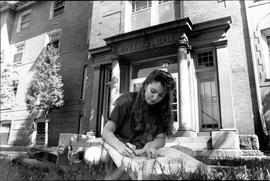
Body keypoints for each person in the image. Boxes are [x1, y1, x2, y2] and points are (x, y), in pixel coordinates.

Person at [102, 69, 175, 159]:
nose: (155, 98)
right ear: (145, 85)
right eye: (152, 91)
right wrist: (120, 146)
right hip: (118, 149)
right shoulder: (126, 100)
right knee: (94, 155)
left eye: (161, 95)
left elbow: (161, 139)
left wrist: (151, 145)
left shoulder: (160, 110)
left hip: (142, 153)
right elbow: (106, 131)